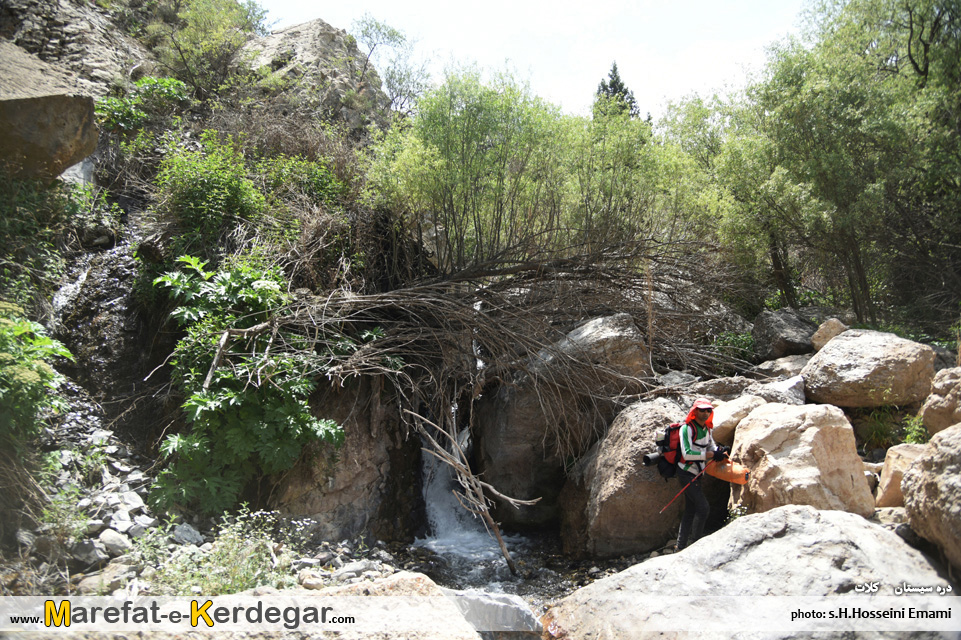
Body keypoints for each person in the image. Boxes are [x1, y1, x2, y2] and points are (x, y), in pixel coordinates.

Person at [675, 397, 727, 550]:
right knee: (703, 508)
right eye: (702, 410)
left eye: (708, 410)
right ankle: (696, 545)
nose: (705, 413)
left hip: (697, 473)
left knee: (691, 509)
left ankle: (680, 546)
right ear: (695, 411)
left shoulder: (707, 428)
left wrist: (719, 452)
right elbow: (687, 453)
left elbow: (711, 445)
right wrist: (710, 455)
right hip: (685, 472)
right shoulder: (687, 429)